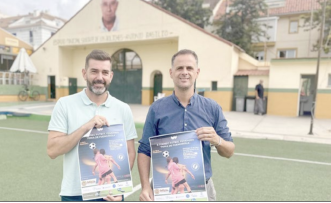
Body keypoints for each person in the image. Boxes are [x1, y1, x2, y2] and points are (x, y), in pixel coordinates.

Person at [137, 49, 235, 201]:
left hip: (203, 188)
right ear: (171, 72)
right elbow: (144, 150)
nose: (184, 72)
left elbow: (229, 151)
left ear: (197, 72)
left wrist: (217, 140)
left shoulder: (212, 108)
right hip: (164, 190)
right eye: (179, 68)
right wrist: (145, 186)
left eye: (189, 68)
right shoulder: (157, 108)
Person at [47, 49, 137, 202]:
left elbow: (129, 152)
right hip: (74, 194)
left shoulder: (123, 109)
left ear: (111, 76)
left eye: (105, 72)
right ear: (84, 73)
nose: (99, 77)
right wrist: (85, 127)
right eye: (94, 71)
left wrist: (119, 189)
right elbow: (52, 150)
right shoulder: (64, 104)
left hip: (109, 194)